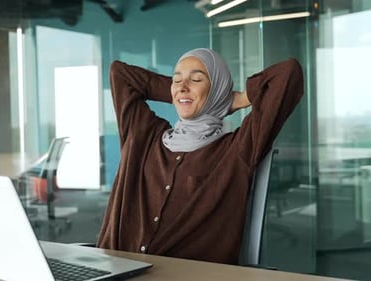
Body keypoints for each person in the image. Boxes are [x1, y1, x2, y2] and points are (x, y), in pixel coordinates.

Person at [96, 48, 304, 265]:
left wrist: (235, 98)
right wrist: (183, 94)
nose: (183, 86)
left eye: (196, 79)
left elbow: (288, 74)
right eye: (177, 80)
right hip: (115, 268)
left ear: (216, 90)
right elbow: (119, 74)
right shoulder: (142, 136)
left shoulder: (236, 150)